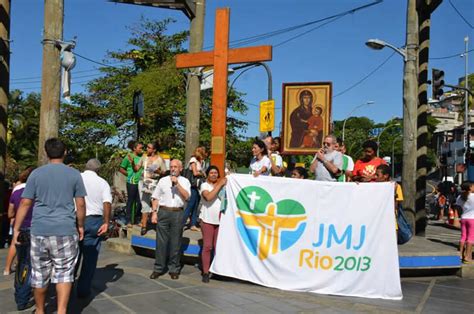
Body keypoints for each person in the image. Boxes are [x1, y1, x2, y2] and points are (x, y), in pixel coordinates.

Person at [13, 138, 86, 314]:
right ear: (65, 152)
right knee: (65, 273)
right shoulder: (74, 174)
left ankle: (40, 310)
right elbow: (81, 204)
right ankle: (61, 311)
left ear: (46, 153)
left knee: (39, 274)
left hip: (39, 231)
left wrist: (16, 229)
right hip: (65, 230)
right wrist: (81, 225)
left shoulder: (36, 174)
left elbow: (25, 203)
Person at [149, 159, 191, 280]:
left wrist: (177, 184)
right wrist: (154, 213)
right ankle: (158, 268)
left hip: (177, 213)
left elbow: (187, 196)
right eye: (171, 167)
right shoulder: (162, 180)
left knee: (175, 242)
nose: (173, 169)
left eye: (175, 167)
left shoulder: (185, 181)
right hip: (163, 212)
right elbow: (155, 197)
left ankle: (174, 268)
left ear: (181, 168)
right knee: (161, 242)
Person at [77, 159, 112, 298]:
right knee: (90, 258)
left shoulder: (77, 178)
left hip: (75, 218)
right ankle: (83, 290)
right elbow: (107, 202)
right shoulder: (102, 182)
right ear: (98, 170)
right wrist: (106, 222)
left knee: (71, 256)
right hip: (94, 220)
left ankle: (65, 286)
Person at [3, 167, 34, 276]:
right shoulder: (37, 190)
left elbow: (10, 212)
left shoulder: (16, 190)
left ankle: (7, 268)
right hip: (33, 224)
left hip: (20, 223)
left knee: (14, 244)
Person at [199, 165, 227, 283]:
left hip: (220, 221)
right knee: (207, 246)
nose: (214, 174)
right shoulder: (204, 185)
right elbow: (209, 197)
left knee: (217, 247)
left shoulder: (224, 187)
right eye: (211, 173)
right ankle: (205, 272)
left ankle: (216, 271)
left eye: (216, 173)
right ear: (207, 175)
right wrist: (220, 184)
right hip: (207, 220)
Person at [135, 142, 166, 235]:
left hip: (154, 182)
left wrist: (158, 171)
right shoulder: (144, 157)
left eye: (149, 147)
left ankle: (157, 224)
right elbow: (136, 168)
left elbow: (164, 172)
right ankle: (144, 226)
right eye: (147, 147)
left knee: (155, 203)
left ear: (154, 150)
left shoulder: (160, 160)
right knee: (144, 203)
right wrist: (132, 163)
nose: (147, 149)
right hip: (143, 182)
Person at [119, 141, 144, 227]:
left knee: (140, 201)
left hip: (141, 182)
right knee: (131, 201)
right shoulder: (128, 156)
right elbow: (121, 168)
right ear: (134, 148)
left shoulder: (143, 157)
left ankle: (137, 219)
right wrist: (129, 175)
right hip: (131, 182)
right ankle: (128, 220)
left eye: (142, 148)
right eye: (140, 148)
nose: (142, 150)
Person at [183, 146, 207, 231]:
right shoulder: (193, 160)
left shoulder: (201, 161)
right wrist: (203, 174)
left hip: (198, 186)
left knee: (196, 205)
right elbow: (195, 173)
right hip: (192, 186)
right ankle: (181, 223)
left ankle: (193, 224)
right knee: (190, 205)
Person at [456, 182, 474, 263]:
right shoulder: (473, 196)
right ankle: (467, 256)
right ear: (470, 187)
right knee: (470, 238)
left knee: (463, 237)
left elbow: (458, 207)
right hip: (472, 219)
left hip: (463, 218)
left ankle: (460, 254)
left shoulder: (460, 197)